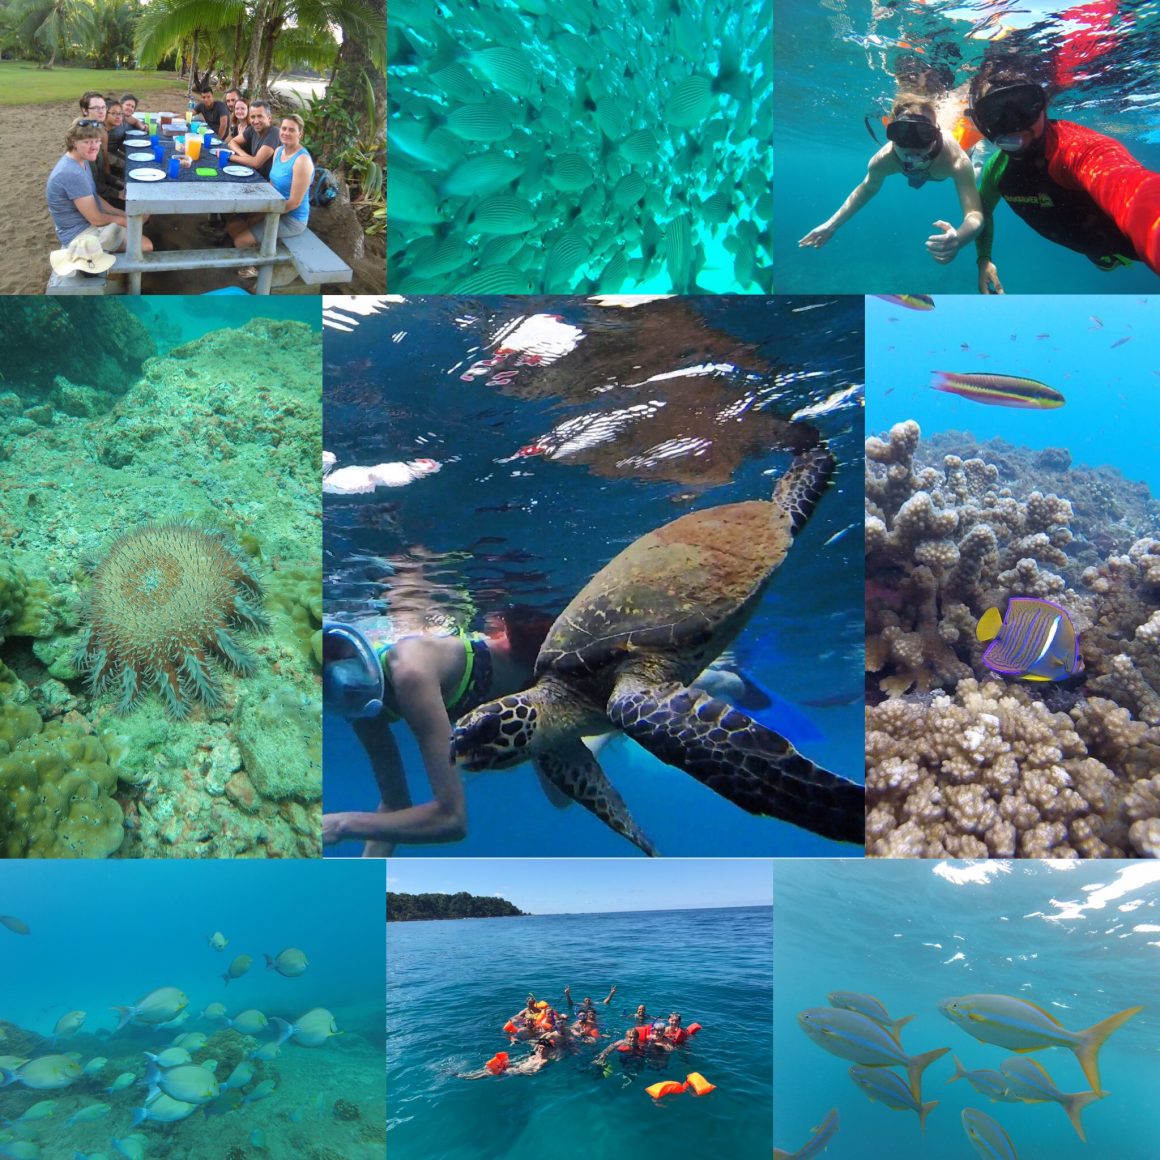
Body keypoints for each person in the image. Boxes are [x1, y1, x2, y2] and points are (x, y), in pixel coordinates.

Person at [320, 605, 552, 854]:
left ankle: (600, 734)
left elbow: (452, 819)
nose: (336, 676)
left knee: (559, 793)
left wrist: (341, 825)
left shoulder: (411, 672)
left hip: (533, 679)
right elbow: (394, 804)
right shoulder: (353, 699)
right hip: (489, 702)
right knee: (558, 792)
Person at [968, 58, 1160, 292]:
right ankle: (1100, 256)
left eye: (1024, 105)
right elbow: (983, 211)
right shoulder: (995, 170)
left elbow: (1134, 188)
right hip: (1093, 245)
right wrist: (983, 258)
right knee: (1100, 255)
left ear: (1043, 106)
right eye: (994, 112)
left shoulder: (1078, 150)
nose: (1013, 124)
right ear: (981, 122)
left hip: (1126, 243)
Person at [798, 93, 983, 265]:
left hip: (942, 171)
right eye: (902, 132)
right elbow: (867, 188)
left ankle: (978, 164)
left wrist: (959, 238)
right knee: (916, 180)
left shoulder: (955, 160)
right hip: (917, 172)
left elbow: (974, 215)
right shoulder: (883, 161)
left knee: (973, 176)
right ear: (891, 134)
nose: (913, 145)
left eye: (924, 134)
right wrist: (831, 225)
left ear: (936, 134)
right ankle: (918, 175)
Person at [46, 119, 152, 263]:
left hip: (87, 222)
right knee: (147, 245)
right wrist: (124, 221)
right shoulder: (71, 173)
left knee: (142, 216)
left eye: (97, 141)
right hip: (79, 234)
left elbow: (94, 196)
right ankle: (117, 274)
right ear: (73, 141)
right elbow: (96, 219)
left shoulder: (81, 160)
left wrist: (119, 212)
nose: (94, 147)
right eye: (87, 142)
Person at [225, 114, 314, 279]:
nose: (286, 133)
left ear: (300, 134)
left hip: (292, 218)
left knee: (240, 241)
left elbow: (294, 203)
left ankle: (255, 269)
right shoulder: (279, 151)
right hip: (275, 208)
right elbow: (273, 185)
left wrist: (264, 214)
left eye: (292, 130)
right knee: (232, 225)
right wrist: (259, 211)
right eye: (284, 128)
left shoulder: (302, 161)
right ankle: (258, 247)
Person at [227, 100, 279, 179]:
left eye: (260, 116)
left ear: (269, 118)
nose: (256, 121)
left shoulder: (274, 133)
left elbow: (256, 163)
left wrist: (229, 157)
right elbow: (232, 142)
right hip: (252, 174)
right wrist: (245, 156)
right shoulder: (252, 129)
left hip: (266, 182)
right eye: (252, 117)